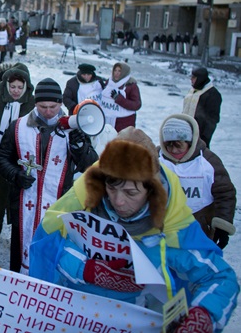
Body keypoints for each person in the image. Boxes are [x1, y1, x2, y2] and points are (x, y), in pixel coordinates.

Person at [29, 127, 239, 332]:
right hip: (76, 317)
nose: (118, 201)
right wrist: (86, 269)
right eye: (111, 188)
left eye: (131, 193)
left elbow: (220, 277)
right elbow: (45, 243)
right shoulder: (82, 197)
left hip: (139, 320)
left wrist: (203, 315)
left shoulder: (172, 221)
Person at [0, 78, 98, 273]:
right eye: (43, 106)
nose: (49, 111)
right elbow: (1, 158)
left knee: (51, 257)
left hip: (58, 205)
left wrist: (79, 146)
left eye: (53, 106)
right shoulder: (18, 127)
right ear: (35, 103)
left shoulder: (73, 127)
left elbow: (91, 165)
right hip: (23, 203)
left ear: (61, 104)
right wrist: (16, 175)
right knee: (19, 254)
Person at [158, 114, 236, 249]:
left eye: (178, 145)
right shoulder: (155, 158)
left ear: (190, 142)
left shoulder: (208, 161)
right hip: (163, 226)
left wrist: (222, 226)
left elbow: (225, 193)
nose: (173, 150)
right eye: (168, 145)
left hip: (199, 227)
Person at [0, 63, 35, 244]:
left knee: (17, 194)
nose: (16, 91)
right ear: (6, 86)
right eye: (12, 87)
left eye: (20, 87)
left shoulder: (33, 105)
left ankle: (17, 229)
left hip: (21, 157)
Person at [182, 67, 221, 148]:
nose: (191, 79)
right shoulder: (193, 90)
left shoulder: (212, 94)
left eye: (193, 77)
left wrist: (204, 138)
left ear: (200, 79)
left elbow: (212, 120)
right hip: (186, 132)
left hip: (200, 136)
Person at [100, 61, 141, 132]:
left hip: (123, 123)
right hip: (106, 120)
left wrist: (119, 99)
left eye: (119, 71)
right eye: (115, 70)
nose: (116, 73)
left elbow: (137, 105)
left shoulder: (131, 86)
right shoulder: (109, 82)